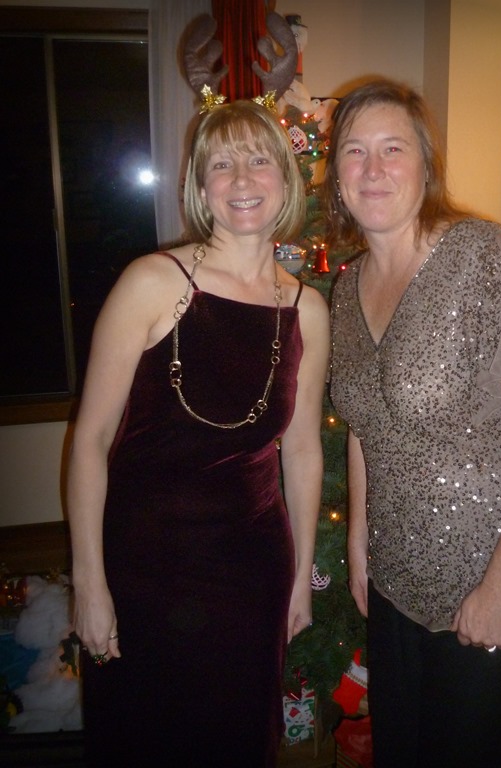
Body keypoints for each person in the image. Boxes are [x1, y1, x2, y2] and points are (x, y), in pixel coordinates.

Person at [323, 79, 501, 768]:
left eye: (393, 148)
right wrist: (359, 543)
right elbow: (364, 423)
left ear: (426, 165)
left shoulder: (484, 257)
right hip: (400, 579)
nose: (372, 168)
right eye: (354, 150)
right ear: (336, 177)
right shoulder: (346, 287)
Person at [67, 99, 330, 767]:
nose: (241, 179)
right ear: (199, 184)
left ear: (286, 178)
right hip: (144, 567)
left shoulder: (307, 309)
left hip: (252, 572)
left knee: (236, 741)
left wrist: (300, 577)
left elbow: (302, 451)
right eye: (221, 164)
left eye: (258, 160)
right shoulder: (152, 282)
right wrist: (89, 582)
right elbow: (90, 440)